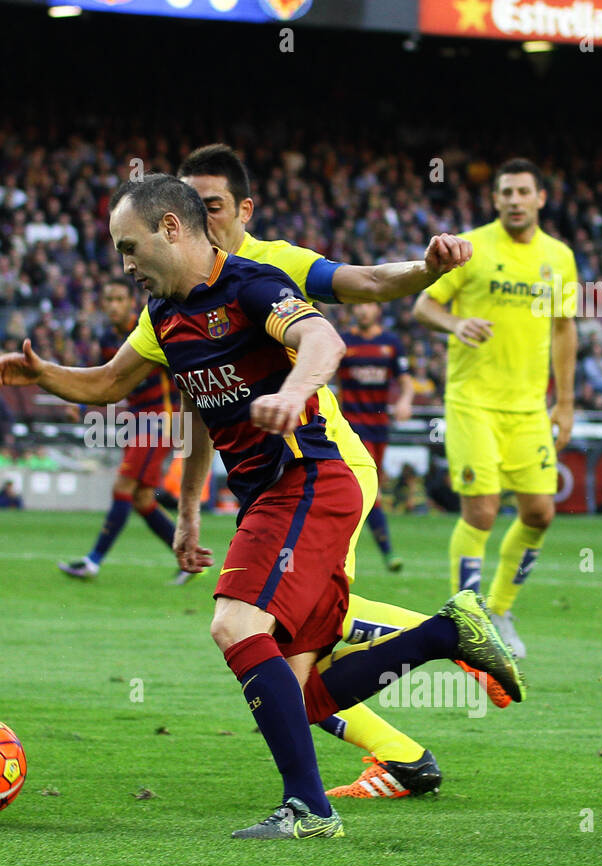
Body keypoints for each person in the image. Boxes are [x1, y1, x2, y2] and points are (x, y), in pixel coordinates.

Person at [0, 175, 524, 838]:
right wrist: (45, 377)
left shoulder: (251, 285)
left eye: (130, 246)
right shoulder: (164, 319)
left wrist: (295, 391)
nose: (123, 263)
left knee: (235, 625)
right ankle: (446, 633)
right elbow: (108, 385)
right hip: (271, 494)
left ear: (172, 229)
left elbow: (326, 339)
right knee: (298, 696)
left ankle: (309, 808)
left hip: (307, 479)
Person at [174, 143, 503, 801]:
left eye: (211, 207)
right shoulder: (175, 291)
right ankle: (406, 753)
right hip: (273, 479)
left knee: (273, 631)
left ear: (242, 209)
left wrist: (428, 267)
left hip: (322, 465)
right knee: (287, 664)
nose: (198, 222)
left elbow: (373, 282)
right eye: (187, 208)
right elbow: (190, 405)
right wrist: (187, 511)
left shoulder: (274, 264)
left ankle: (450, 638)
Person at [412, 158, 579, 658]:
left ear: (540, 199)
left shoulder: (559, 257)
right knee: (482, 510)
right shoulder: (472, 247)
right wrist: (455, 324)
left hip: (529, 408)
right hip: (473, 402)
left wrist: (565, 402)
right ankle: (466, 617)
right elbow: (423, 305)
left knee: (540, 512)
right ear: (496, 199)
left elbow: (565, 328)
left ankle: (501, 610)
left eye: (523, 191)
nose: (513, 199)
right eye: (505, 191)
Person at [58, 277, 186, 584]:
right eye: (108, 300)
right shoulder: (106, 339)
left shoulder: (151, 328)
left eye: (119, 299)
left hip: (160, 420)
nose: (113, 305)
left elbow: (181, 368)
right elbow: (105, 381)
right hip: (137, 419)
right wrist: (83, 407)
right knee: (142, 498)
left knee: (123, 487)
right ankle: (189, 559)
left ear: (132, 301)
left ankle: (92, 562)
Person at [335, 302, 415, 572]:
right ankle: (378, 552)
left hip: (380, 427)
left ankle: (375, 551)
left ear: (377, 308)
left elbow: (405, 380)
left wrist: (405, 400)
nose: (362, 310)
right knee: (366, 487)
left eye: (366, 303)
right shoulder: (343, 341)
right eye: (357, 305)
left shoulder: (390, 343)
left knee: (370, 490)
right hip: (352, 426)